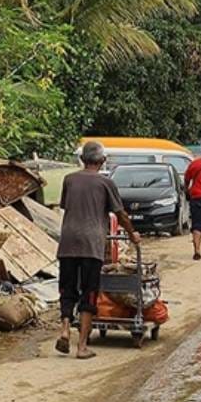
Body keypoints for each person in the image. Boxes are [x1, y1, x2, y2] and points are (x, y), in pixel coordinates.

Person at [55, 142, 141, 360]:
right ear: (102, 160)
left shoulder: (70, 179)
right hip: (91, 245)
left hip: (67, 242)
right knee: (89, 293)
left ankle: (65, 330)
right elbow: (120, 214)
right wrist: (132, 234)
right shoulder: (106, 183)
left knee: (67, 289)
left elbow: (65, 206)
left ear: (83, 160)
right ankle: (82, 346)